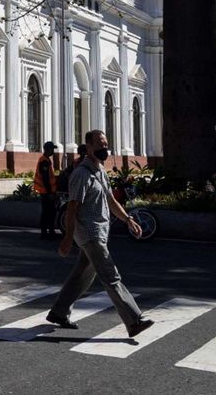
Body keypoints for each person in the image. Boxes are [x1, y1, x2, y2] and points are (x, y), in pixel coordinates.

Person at [46, 129, 154, 338]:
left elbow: (111, 201)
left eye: (105, 143)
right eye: (100, 144)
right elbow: (72, 207)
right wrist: (68, 238)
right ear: (88, 148)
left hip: (100, 231)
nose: (104, 147)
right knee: (111, 276)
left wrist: (128, 219)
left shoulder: (100, 170)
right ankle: (134, 321)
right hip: (90, 234)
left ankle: (59, 312)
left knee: (82, 276)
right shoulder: (82, 174)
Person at [34, 141, 58, 239]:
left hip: (46, 191)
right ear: (48, 149)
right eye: (52, 149)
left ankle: (49, 231)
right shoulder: (44, 161)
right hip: (46, 192)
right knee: (48, 212)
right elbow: (45, 178)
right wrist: (50, 193)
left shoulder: (46, 160)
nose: (53, 151)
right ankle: (45, 232)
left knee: (50, 212)